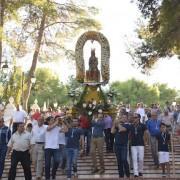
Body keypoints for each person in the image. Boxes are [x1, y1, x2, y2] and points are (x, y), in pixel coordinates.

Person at [111, 114, 131, 179]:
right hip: (116, 145)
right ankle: (121, 175)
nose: (123, 118)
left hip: (124, 146)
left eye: (125, 117)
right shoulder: (117, 125)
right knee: (119, 161)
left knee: (124, 159)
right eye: (122, 117)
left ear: (127, 119)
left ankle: (127, 173)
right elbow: (112, 131)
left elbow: (122, 129)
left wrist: (118, 123)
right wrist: (114, 124)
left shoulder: (127, 125)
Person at [130, 113, 148, 178]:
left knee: (141, 159)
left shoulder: (143, 125)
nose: (134, 118)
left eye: (136, 117)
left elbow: (146, 133)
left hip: (141, 144)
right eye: (133, 117)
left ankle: (140, 171)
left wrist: (146, 142)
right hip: (133, 144)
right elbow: (129, 134)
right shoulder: (131, 126)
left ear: (139, 118)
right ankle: (135, 172)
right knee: (134, 159)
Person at [31, 116, 47, 180]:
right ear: (37, 120)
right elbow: (32, 136)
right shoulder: (34, 127)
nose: (40, 121)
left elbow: (47, 137)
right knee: (34, 160)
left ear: (43, 121)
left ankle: (38, 175)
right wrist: (31, 146)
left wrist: (45, 145)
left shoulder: (46, 127)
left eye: (42, 120)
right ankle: (40, 170)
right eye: (39, 120)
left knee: (40, 160)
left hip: (42, 145)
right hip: (34, 144)